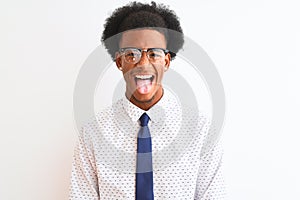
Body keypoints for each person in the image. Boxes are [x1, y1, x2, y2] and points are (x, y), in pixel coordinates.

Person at [69, 1, 225, 199]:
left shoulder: (200, 131)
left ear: (166, 62)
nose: (143, 64)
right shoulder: (93, 134)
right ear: (119, 62)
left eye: (154, 54)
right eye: (132, 54)